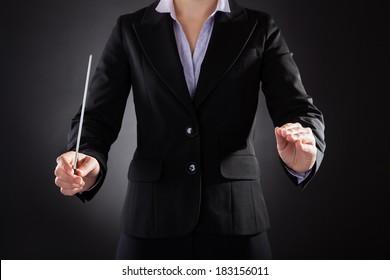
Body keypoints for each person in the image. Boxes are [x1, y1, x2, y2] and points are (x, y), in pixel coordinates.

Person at [54, 0, 325, 259]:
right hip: (150, 219)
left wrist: (305, 149)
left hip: (237, 219)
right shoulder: (130, 28)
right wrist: (88, 156)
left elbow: (298, 110)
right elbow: (97, 117)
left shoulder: (260, 26)